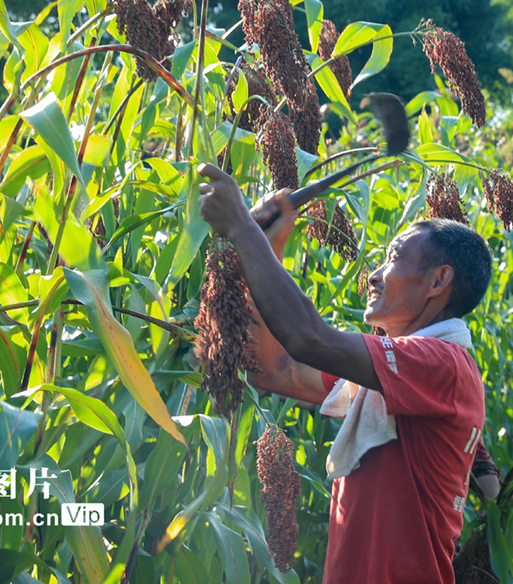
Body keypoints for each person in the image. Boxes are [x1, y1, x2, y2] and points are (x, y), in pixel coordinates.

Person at [197, 163, 495, 584]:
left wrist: (244, 229)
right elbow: (273, 369)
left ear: (438, 281)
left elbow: (309, 339)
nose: (373, 275)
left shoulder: (442, 364)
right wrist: (271, 243)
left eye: (393, 258)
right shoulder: (390, 374)